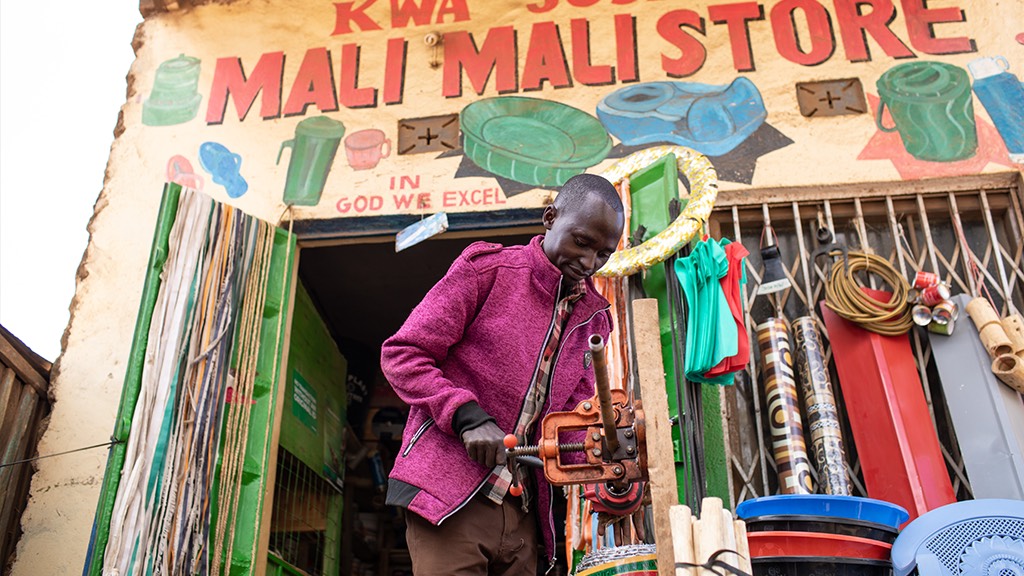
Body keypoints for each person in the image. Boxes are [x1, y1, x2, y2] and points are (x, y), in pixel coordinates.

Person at [380, 173, 625, 575]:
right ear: (550, 217)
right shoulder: (487, 271)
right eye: (581, 242)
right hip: (452, 496)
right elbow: (404, 354)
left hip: (526, 513)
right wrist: (467, 417)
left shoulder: (595, 319)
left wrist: (605, 453)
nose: (588, 262)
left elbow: (573, 423)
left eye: (603, 254)